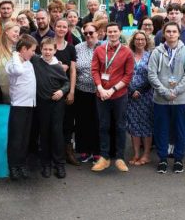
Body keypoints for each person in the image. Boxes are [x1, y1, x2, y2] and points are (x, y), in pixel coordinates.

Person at [147, 21, 185, 174]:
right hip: (161, 99)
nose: (171, 34)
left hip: (180, 99)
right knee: (162, 129)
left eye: (174, 31)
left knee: (180, 130)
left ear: (179, 33)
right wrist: (165, 92)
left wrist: (177, 91)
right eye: (168, 31)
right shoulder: (156, 52)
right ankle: (162, 159)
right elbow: (152, 74)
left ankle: (178, 159)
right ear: (164, 33)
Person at [90, 22, 135, 172]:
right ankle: (104, 157)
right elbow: (95, 70)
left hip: (119, 95)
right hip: (101, 94)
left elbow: (128, 75)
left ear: (120, 32)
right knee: (103, 126)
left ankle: (120, 157)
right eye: (110, 32)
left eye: (115, 31)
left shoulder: (127, 52)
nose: (112, 34)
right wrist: (100, 88)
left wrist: (113, 89)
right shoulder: (99, 50)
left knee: (120, 126)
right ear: (106, 33)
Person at [33, 36, 70, 179]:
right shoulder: (36, 60)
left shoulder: (58, 66)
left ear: (55, 50)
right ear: (40, 49)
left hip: (56, 104)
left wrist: (62, 91)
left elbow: (66, 83)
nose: (47, 52)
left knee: (56, 133)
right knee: (44, 133)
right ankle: (45, 164)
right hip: (42, 104)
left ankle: (59, 164)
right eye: (45, 49)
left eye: (50, 49)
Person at [5, 35, 38, 181]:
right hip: (18, 106)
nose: (33, 53)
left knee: (25, 138)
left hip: (29, 105)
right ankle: (13, 166)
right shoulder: (13, 62)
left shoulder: (28, 62)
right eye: (32, 50)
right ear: (23, 49)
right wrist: (14, 53)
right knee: (16, 138)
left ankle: (21, 164)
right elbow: (17, 71)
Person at [70, 22, 101, 163]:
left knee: (97, 121)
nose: (88, 35)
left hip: (99, 92)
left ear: (97, 33)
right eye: (86, 33)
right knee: (83, 121)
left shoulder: (103, 47)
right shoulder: (78, 48)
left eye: (91, 33)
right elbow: (74, 69)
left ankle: (97, 151)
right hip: (81, 90)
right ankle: (84, 150)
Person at [125, 30, 154, 166]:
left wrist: (140, 91)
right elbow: (123, 73)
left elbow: (153, 76)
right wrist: (131, 91)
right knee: (133, 124)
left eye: (142, 39)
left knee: (146, 124)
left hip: (146, 95)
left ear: (146, 41)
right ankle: (136, 153)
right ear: (133, 41)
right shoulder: (128, 55)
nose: (140, 41)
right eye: (137, 39)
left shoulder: (150, 56)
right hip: (130, 95)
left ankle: (146, 154)